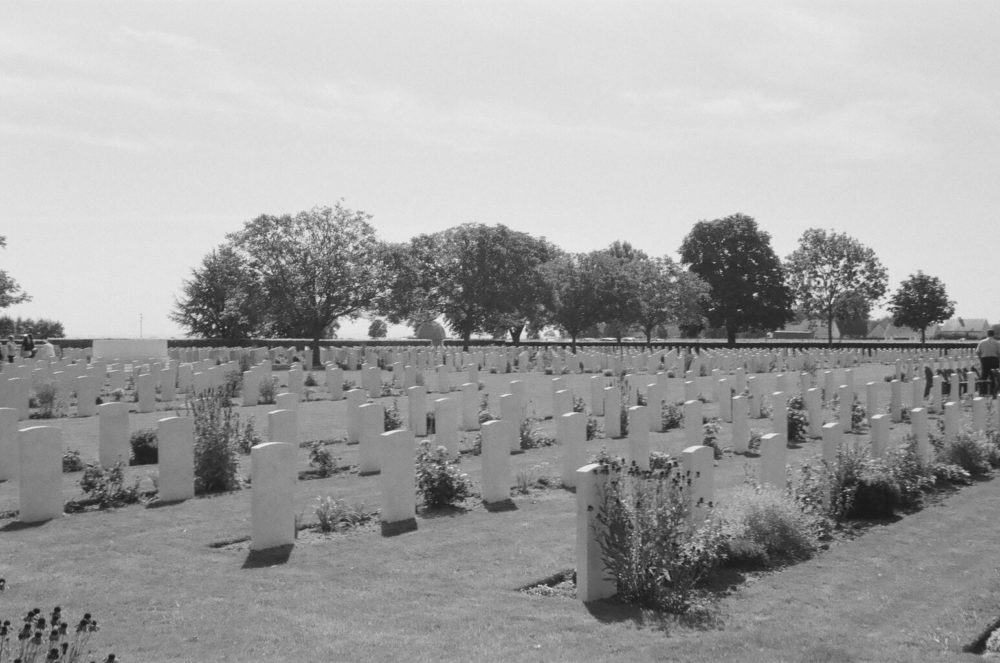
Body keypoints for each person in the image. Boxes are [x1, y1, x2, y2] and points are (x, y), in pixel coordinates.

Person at [975, 329, 1000, 397]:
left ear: (987, 334)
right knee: (993, 376)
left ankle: (983, 391)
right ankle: (992, 391)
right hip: (994, 359)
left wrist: (981, 359)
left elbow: (977, 352)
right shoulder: (997, 342)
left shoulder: (982, 342)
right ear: (993, 334)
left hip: (985, 359)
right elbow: (999, 353)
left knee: (984, 375)